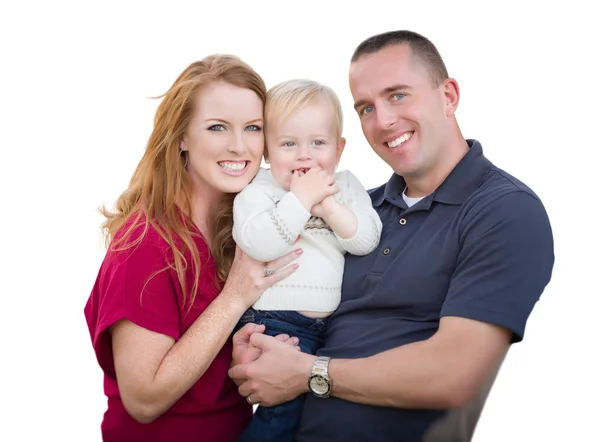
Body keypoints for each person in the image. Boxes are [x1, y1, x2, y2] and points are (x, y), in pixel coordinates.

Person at [228, 30, 555, 442]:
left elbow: (452, 376)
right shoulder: (357, 209)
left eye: (398, 95)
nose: (382, 121)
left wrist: (308, 374)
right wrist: (255, 347)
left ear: (449, 96)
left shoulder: (503, 211)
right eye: (366, 107)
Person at [83, 54, 302, 442]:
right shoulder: (145, 244)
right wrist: (235, 297)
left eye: (253, 128)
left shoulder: (248, 229)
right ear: (182, 136)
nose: (239, 147)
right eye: (217, 127)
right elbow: (143, 399)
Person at [231, 79, 382, 442]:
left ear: (339, 149)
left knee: (320, 415)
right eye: (288, 144)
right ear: (266, 151)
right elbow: (259, 243)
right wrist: (299, 200)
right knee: (281, 418)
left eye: (318, 142)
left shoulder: (345, 186)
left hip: (332, 327)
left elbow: (365, 240)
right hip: (277, 322)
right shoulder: (259, 191)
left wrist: (328, 205)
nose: (304, 155)